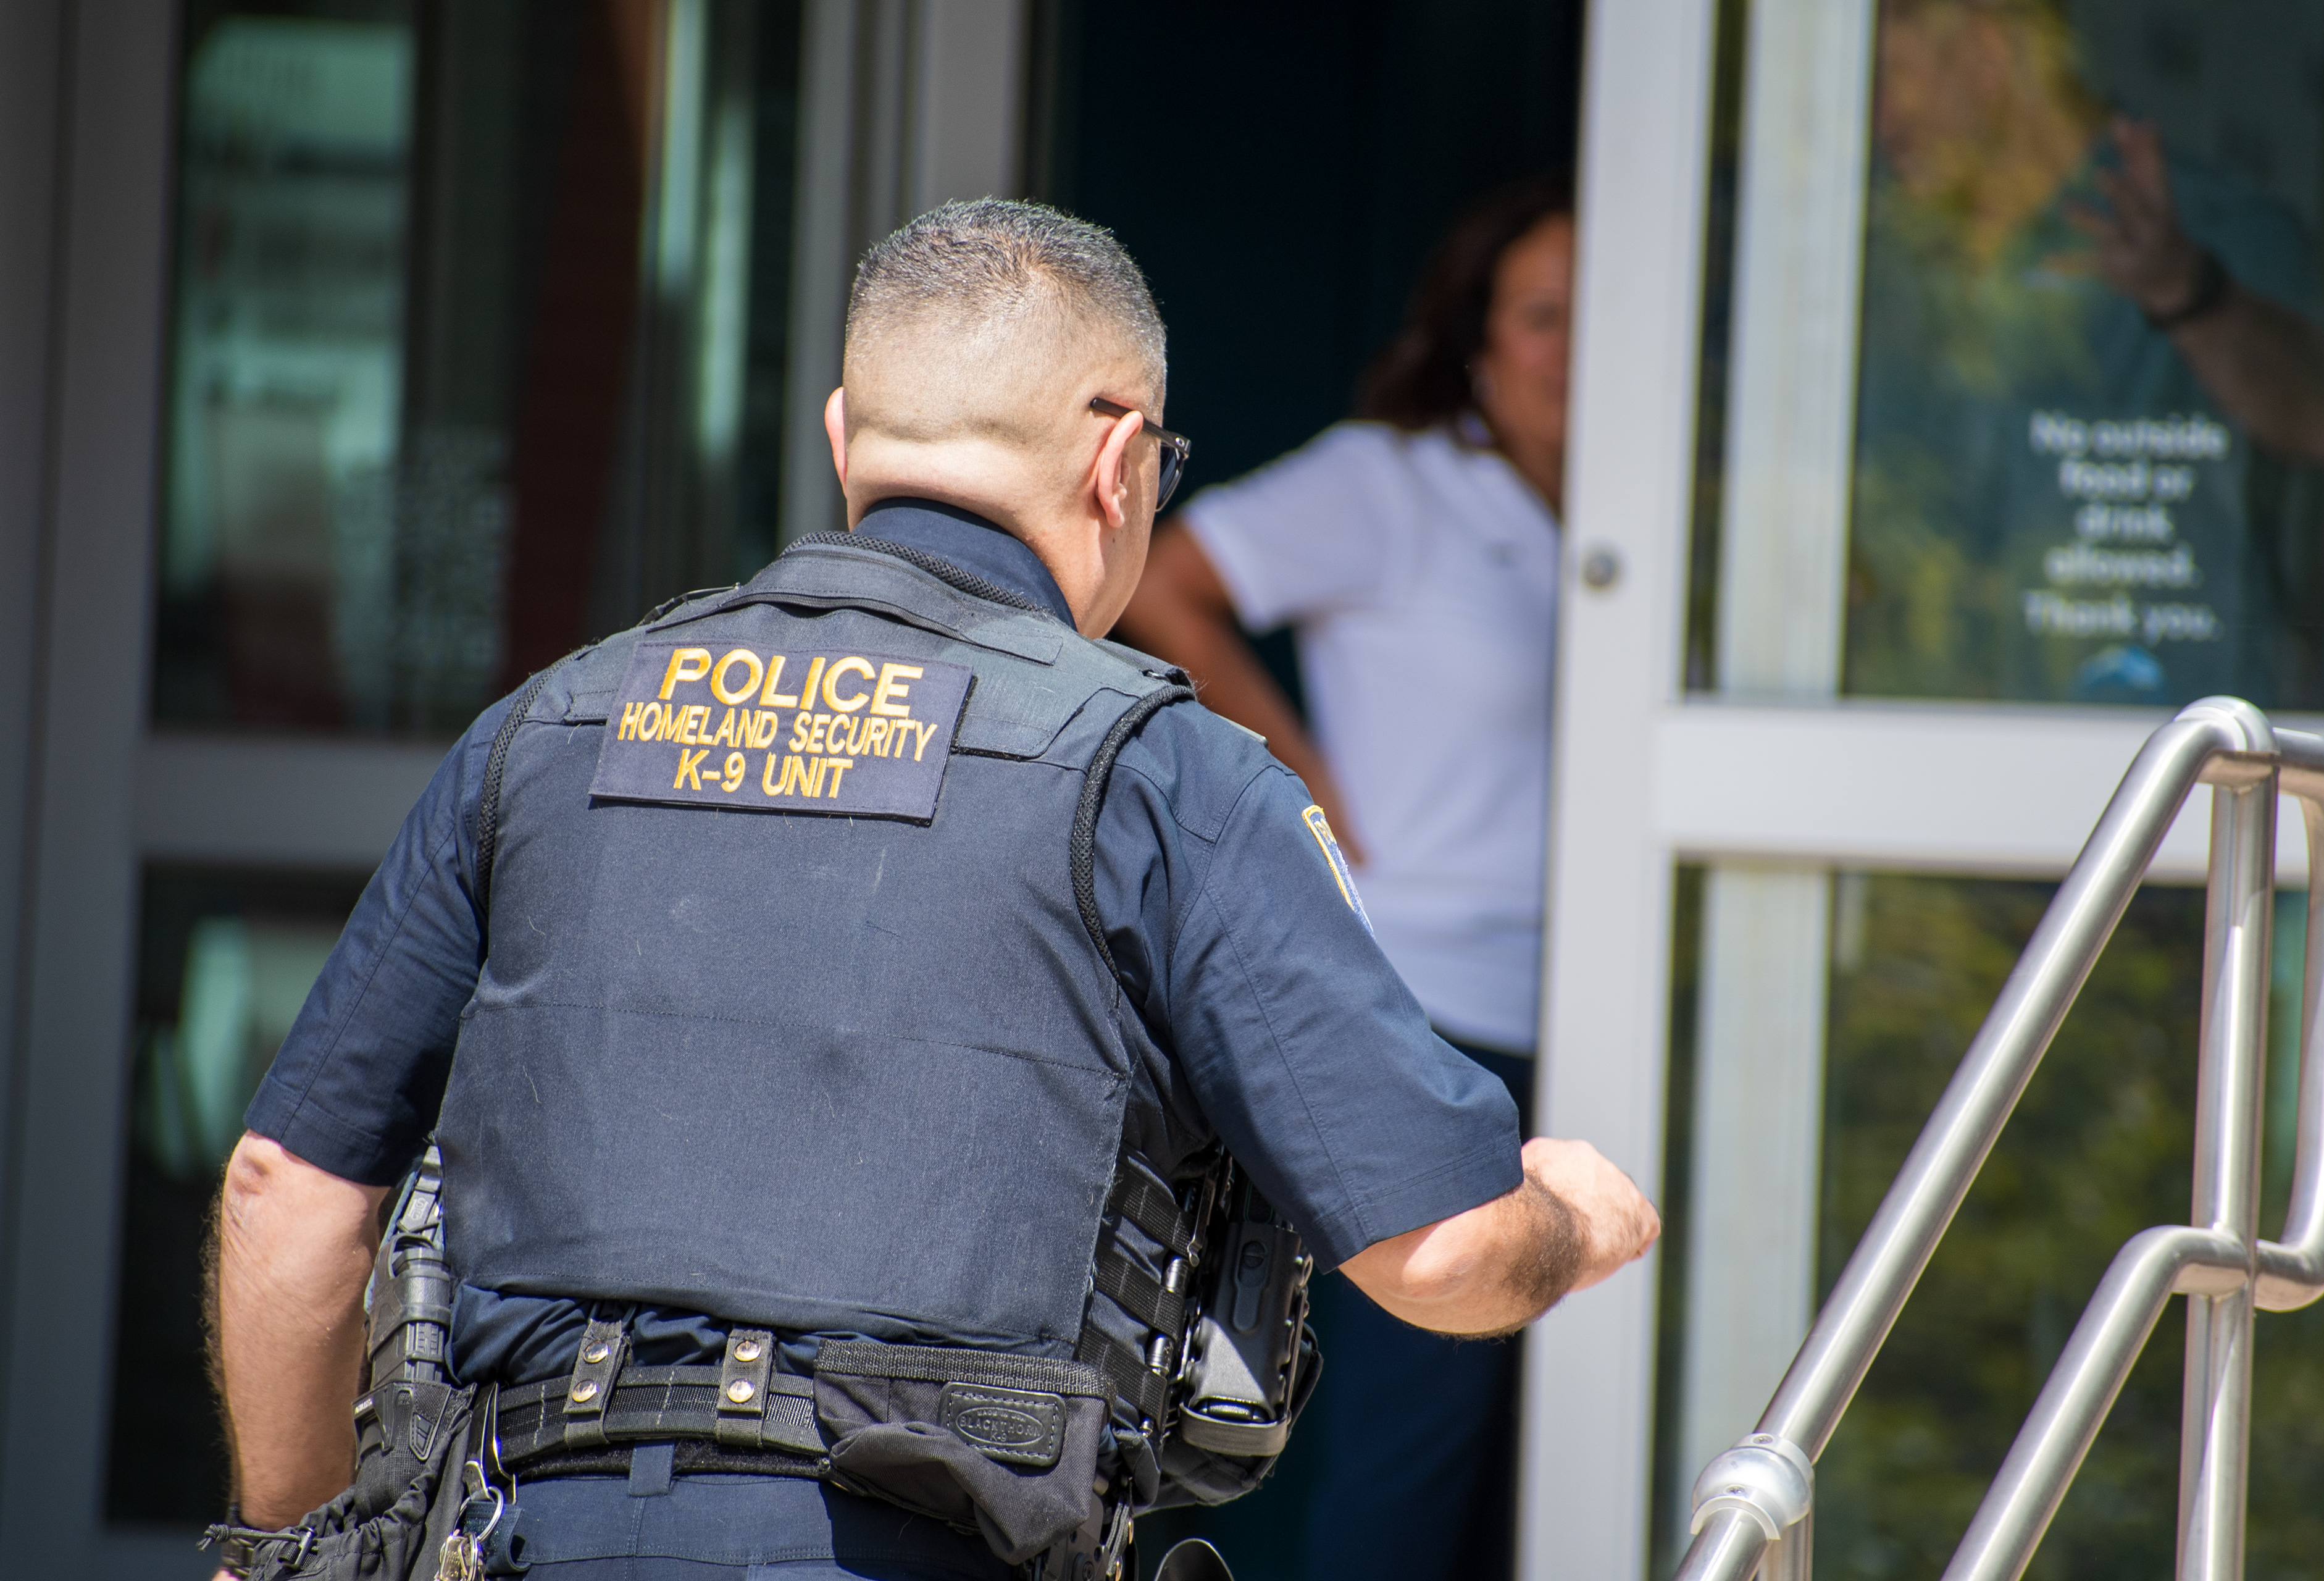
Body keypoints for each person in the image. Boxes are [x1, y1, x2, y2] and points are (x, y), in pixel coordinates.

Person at [208, 199, 1658, 1581]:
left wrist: (294, 1545)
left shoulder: (545, 726)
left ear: (847, 441)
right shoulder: (1161, 777)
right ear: (1121, 464)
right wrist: (1575, 1216)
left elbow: (289, 1191)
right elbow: (1444, 1251)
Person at [1118, 174, 1574, 1581]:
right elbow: (1162, 574)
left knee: (1547, 1462)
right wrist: (1300, 766)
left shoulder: (1646, 529)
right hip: (1432, 997)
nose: (1573, 347)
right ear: (1473, 341)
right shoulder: (1393, 481)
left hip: (1599, 1008)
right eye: (1541, 314)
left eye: (1599, 316)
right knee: (1415, 1449)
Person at [1850, 0, 2324, 705]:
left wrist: (2189, 294)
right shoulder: (1870, 254)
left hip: (2165, 765)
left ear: (1989, 56)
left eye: (1889, 76)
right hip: (1905, 736)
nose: (1875, 120)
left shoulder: (2214, 232)